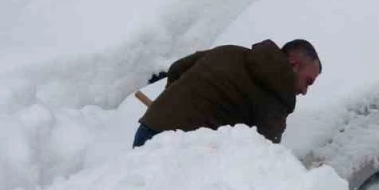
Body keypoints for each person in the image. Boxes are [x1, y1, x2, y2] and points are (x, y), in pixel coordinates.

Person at [133, 38, 322, 148]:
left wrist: (171, 109)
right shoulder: (277, 93)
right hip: (178, 152)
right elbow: (265, 151)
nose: (304, 91)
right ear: (294, 66)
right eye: (308, 82)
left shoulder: (232, 51)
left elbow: (176, 68)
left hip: (149, 129)